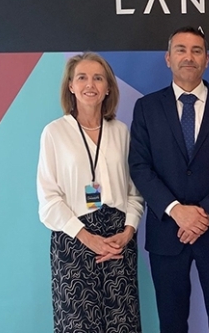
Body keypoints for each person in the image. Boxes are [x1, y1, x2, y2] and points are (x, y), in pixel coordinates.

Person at [128, 26, 209, 333]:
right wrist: (176, 210)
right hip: (167, 234)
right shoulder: (147, 108)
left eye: (196, 50)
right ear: (168, 58)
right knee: (171, 324)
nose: (189, 56)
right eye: (181, 50)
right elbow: (140, 166)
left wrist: (206, 212)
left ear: (207, 60)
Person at [36, 52, 144, 333]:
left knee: (123, 323)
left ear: (108, 87)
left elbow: (135, 192)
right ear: (70, 85)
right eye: (81, 77)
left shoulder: (121, 132)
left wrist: (128, 232)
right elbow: (48, 199)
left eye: (98, 78)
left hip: (117, 242)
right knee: (79, 325)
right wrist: (87, 237)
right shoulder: (54, 133)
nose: (90, 84)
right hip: (74, 242)